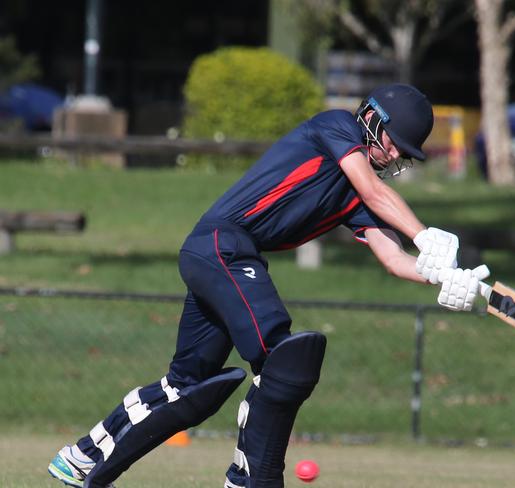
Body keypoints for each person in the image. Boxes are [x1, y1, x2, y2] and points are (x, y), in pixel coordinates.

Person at [47, 83, 489, 488]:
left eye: (404, 153)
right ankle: (246, 476)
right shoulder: (336, 126)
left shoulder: (356, 196)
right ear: (372, 119)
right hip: (224, 244)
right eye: (395, 144)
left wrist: (444, 276)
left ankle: (82, 455)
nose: (395, 156)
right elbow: (373, 192)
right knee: (283, 359)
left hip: (220, 255)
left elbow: (393, 259)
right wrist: (424, 234)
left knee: (186, 386)